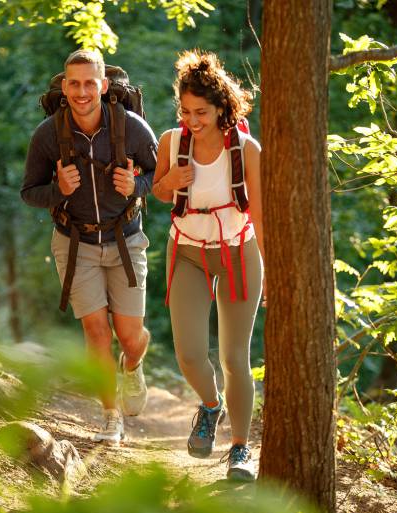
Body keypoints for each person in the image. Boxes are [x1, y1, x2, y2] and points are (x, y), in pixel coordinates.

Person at [21, 49, 158, 445]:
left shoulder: (131, 128)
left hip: (125, 240)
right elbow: (29, 192)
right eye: (74, 83)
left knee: (130, 336)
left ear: (103, 85)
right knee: (97, 332)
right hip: (75, 243)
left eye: (89, 83)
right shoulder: (48, 134)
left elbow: (158, 175)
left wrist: (138, 185)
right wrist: (58, 191)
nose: (82, 92)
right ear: (65, 87)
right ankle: (110, 417)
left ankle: (131, 365)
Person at [151, 50, 264, 481]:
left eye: (201, 112)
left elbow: (260, 214)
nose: (192, 120)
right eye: (185, 111)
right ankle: (210, 406)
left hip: (238, 253)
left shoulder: (245, 149)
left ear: (223, 108)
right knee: (190, 354)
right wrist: (168, 183)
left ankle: (239, 449)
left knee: (236, 358)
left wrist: (269, 269)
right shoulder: (172, 142)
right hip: (187, 253)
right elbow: (157, 193)